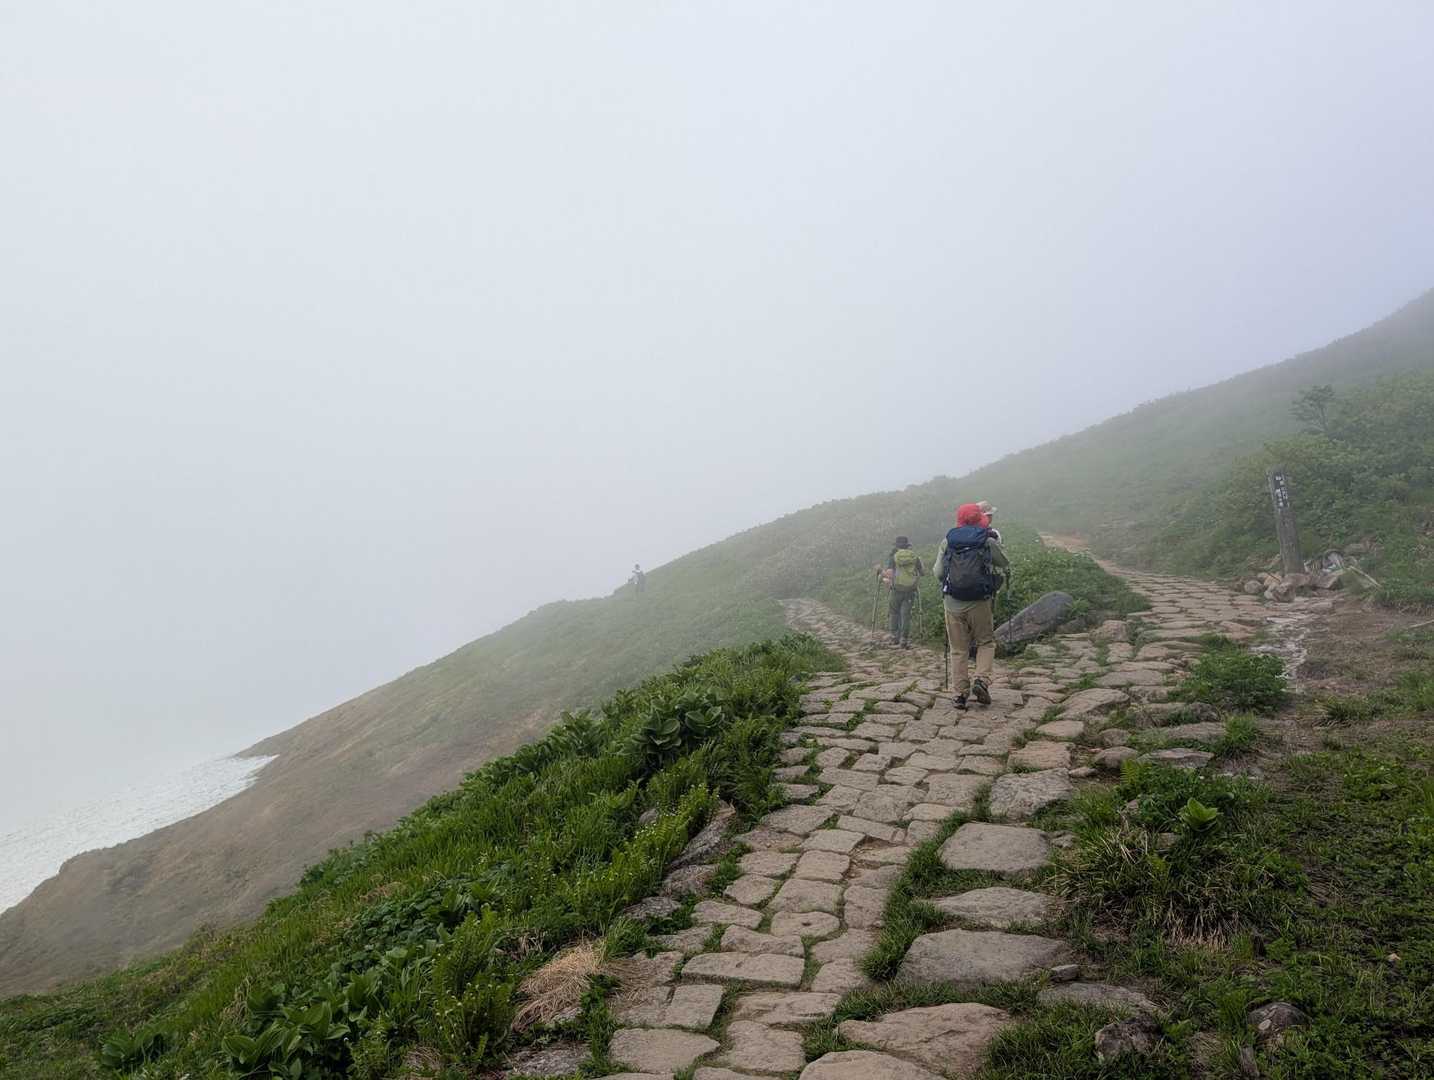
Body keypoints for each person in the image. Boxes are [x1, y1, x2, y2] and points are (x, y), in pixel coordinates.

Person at [934, 503, 1009, 709]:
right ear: (979, 519)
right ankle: (981, 680)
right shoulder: (986, 539)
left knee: (958, 649)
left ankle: (960, 694)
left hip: (952, 602)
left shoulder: (948, 541)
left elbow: (938, 573)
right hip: (979, 601)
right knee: (985, 642)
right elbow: (1004, 563)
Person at [885, 536, 925, 648]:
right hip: (910, 590)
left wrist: (881, 574)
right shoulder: (915, 557)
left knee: (894, 613)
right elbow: (922, 573)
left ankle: (894, 637)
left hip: (896, 589)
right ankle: (904, 639)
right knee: (906, 615)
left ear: (897, 546)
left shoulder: (893, 557)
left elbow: (889, 574)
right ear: (907, 546)